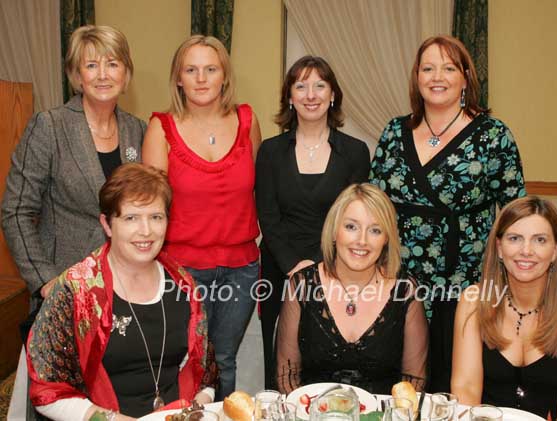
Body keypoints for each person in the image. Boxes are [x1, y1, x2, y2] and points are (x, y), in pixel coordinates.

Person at [369, 35, 526, 392]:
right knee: (398, 385)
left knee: (450, 385)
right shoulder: (395, 131)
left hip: (465, 285)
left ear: (466, 78)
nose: (437, 76)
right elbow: (373, 205)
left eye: (448, 68)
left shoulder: (493, 135)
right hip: (400, 280)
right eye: (428, 68)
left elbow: (517, 214)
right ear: (416, 77)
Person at [26, 163, 218, 420]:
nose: (146, 231)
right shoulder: (75, 292)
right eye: (131, 218)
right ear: (107, 224)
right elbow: (48, 391)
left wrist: (192, 411)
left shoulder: (183, 285)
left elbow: (206, 374)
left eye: (156, 217)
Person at [142, 35, 261, 400]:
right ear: (178, 78)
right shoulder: (161, 128)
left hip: (241, 268)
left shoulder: (247, 120)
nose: (201, 78)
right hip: (182, 270)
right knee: (183, 360)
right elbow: (149, 207)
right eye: (191, 70)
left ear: (224, 75)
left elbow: (262, 189)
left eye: (210, 69)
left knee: (223, 359)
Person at [2, 24, 145, 310]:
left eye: (113, 64)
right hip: (65, 286)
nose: (103, 75)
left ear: (126, 73)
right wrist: (45, 280)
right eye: (91, 65)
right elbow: (16, 212)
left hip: (125, 285)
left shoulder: (139, 130)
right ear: (77, 76)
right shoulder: (49, 126)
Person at [256, 55, 370, 388]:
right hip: (280, 269)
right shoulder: (270, 151)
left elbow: (353, 217)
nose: (311, 94)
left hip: (337, 268)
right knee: (279, 362)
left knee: (330, 359)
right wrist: (294, 265)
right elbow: (268, 215)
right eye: (301, 86)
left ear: (332, 94)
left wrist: (319, 268)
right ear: (289, 96)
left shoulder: (355, 152)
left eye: (320, 85)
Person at [452, 196, 557, 420]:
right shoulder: (473, 301)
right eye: (515, 238)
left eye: (540, 240)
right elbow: (466, 392)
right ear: (499, 248)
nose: (526, 251)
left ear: (556, 251)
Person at [276, 183, 428, 394]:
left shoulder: (406, 291)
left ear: (386, 239)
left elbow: (414, 380)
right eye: (351, 227)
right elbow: (287, 376)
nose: (362, 241)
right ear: (334, 231)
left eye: (375, 230)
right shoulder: (301, 285)